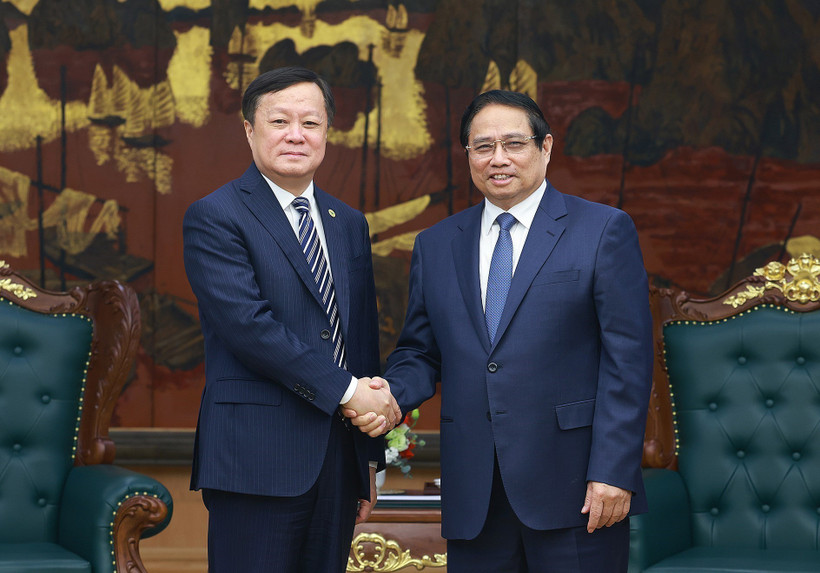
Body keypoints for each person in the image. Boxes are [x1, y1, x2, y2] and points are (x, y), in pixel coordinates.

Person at [347, 90, 653, 572]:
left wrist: (613, 471)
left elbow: (628, 361)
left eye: (514, 144)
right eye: (483, 146)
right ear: (467, 154)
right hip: (475, 495)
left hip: (577, 491)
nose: (498, 158)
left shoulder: (602, 230)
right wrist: (387, 396)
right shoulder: (437, 244)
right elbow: (421, 352)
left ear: (545, 147)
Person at [183, 66, 400, 573]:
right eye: (279, 121)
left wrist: (367, 457)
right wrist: (350, 392)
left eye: (311, 123)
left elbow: (358, 339)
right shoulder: (216, 215)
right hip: (255, 458)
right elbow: (249, 327)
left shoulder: (347, 222)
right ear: (249, 130)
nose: (296, 135)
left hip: (336, 461)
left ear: (327, 133)